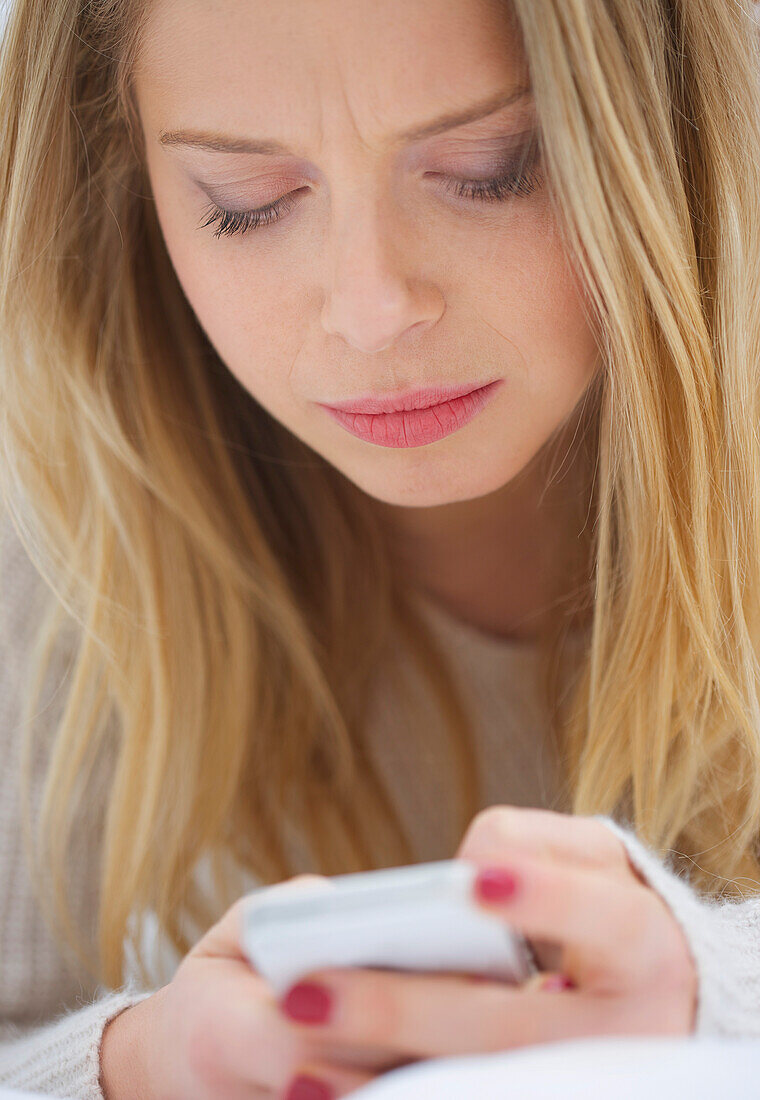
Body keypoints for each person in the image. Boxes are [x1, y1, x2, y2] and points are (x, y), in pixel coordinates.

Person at [1, 0, 760, 1098]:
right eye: (246, 203)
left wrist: (716, 996)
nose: (372, 311)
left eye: (492, 168)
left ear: (670, 131)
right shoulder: (55, 534)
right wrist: (129, 1065)